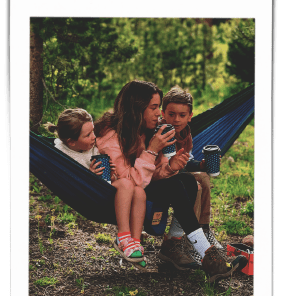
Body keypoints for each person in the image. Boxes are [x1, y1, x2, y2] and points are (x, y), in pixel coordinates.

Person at [95, 80, 247, 281]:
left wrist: (170, 167)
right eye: (154, 107)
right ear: (136, 109)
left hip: (142, 186)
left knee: (187, 181)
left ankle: (173, 247)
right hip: (123, 194)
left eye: (158, 107)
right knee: (177, 184)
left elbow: (152, 174)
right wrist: (152, 150)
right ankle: (209, 256)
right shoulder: (111, 136)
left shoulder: (143, 130)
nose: (159, 114)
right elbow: (131, 182)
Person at [46, 108, 147, 269]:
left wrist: (111, 172)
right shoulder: (61, 154)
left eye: (93, 131)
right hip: (90, 194)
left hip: (104, 189)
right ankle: (123, 237)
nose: (94, 137)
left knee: (140, 192)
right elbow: (73, 182)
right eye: (88, 135)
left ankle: (134, 243)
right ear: (71, 141)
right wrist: (89, 175)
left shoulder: (92, 146)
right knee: (127, 184)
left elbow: (108, 179)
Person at [159, 86, 223, 267]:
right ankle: (179, 240)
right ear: (163, 113)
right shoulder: (162, 132)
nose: (176, 119)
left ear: (190, 116)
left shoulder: (186, 134)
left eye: (182, 115)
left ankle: (203, 228)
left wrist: (201, 165)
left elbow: (186, 162)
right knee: (196, 185)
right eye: (171, 114)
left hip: (177, 172)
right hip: (162, 177)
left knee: (204, 178)